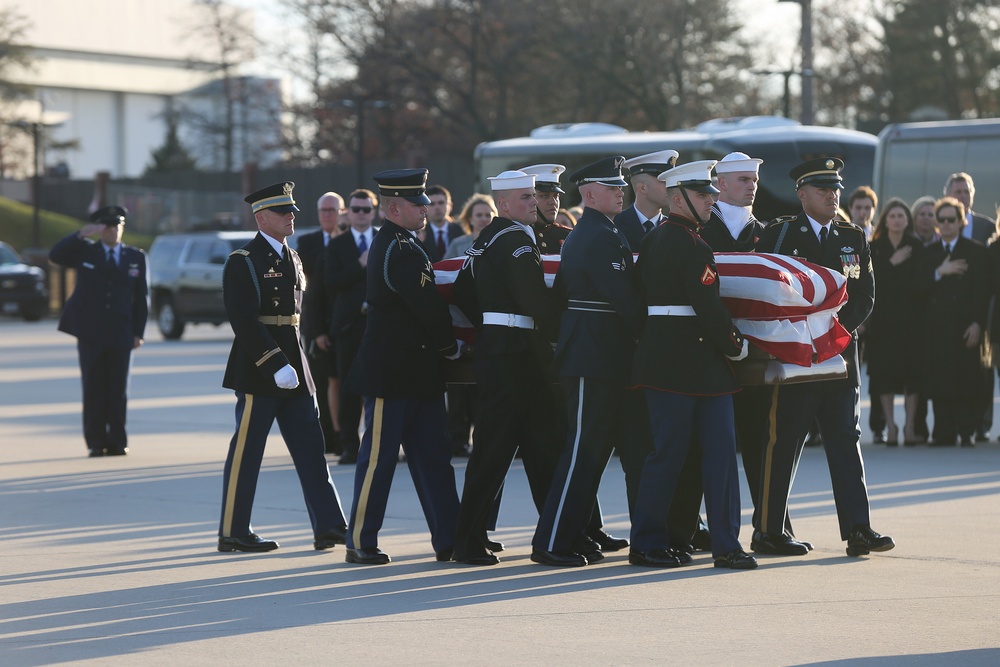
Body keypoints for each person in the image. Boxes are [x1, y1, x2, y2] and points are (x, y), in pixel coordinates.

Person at [756, 158, 894, 558]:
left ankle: (858, 529)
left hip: (837, 356)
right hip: (796, 357)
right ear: (802, 195)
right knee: (785, 442)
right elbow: (769, 292)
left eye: (836, 189)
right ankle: (768, 530)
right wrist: (804, 337)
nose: (833, 195)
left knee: (845, 442)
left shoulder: (852, 238)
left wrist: (834, 335)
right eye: (822, 189)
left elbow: (864, 295)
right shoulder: (780, 235)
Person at [628, 159, 755, 570]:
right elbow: (708, 308)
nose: (710, 203)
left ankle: (655, 541)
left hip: (668, 364)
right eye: (703, 196)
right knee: (711, 458)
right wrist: (736, 345)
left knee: (671, 457)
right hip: (697, 365)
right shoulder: (693, 244)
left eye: (711, 196)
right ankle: (723, 544)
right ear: (679, 197)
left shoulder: (655, 239)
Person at [217, 181, 348, 553]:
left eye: (292, 210)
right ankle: (233, 530)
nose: (292, 216)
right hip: (260, 368)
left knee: (311, 447)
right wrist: (274, 363)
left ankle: (329, 525)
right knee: (248, 451)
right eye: (282, 211)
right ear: (261, 218)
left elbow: (295, 317)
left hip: (295, 364)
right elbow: (244, 320)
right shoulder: (243, 261)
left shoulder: (293, 256)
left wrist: (297, 362)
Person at [342, 169, 462, 565]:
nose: (425, 209)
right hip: (391, 374)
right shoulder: (400, 248)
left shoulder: (402, 243)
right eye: (417, 204)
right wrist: (451, 346)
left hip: (416, 373)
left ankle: (450, 538)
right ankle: (360, 540)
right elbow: (428, 308)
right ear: (394, 207)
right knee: (378, 461)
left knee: (434, 460)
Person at [530, 156, 645, 567]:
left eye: (621, 186)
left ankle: (573, 534)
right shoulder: (597, 235)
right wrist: (650, 333)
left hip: (597, 352)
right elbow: (625, 299)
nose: (621, 191)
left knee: (592, 451)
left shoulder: (596, 232)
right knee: (582, 451)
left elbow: (561, 293)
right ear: (589, 193)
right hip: (594, 353)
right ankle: (553, 541)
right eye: (612, 187)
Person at [451, 170, 563, 566]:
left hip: (505, 351)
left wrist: (490, 322)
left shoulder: (487, 238)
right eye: (525, 197)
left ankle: (555, 535)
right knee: (500, 451)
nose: (534, 201)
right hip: (516, 355)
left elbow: (463, 289)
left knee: (536, 447)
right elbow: (537, 302)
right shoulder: (514, 239)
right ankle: (469, 541)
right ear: (503, 204)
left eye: (534, 195)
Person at [49, 206, 149, 458]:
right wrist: (81, 234)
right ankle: (95, 442)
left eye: (117, 226)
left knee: (118, 389)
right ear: (99, 229)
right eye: (107, 227)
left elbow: (141, 298)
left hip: (121, 332)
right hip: (91, 332)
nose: (112, 231)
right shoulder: (86, 251)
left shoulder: (135, 257)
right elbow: (55, 255)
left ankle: (117, 441)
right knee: (93, 388)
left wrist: (138, 332)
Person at [919, 196, 990, 447]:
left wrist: (977, 324)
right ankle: (943, 432)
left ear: (961, 222)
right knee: (940, 380)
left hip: (966, 326)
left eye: (952, 220)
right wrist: (940, 272)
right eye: (942, 220)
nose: (946, 224)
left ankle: (967, 430)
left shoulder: (976, 251)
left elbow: (983, 293)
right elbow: (916, 288)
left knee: (967, 379)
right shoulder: (928, 254)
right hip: (937, 329)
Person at [324, 188, 378, 465]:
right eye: (355, 209)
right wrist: (359, 264)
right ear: (348, 212)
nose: (360, 214)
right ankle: (349, 446)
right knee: (348, 389)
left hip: (379, 327)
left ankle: (379, 444)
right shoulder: (337, 244)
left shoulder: (384, 240)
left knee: (380, 387)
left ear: (374, 212)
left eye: (365, 210)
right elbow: (330, 283)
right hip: (347, 327)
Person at [867, 198, 925, 445]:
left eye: (901, 216)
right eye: (892, 216)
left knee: (912, 375)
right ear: (885, 219)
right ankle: (890, 426)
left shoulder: (916, 245)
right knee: (884, 375)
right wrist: (892, 263)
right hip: (882, 324)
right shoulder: (875, 247)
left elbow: (920, 284)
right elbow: (871, 282)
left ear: (907, 220)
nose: (897, 220)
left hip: (911, 323)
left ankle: (910, 425)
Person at [444, 193, 497, 458]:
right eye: (479, 215)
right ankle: (456, 439)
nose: (484, 219)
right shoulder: (457, 244)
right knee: (457, 389)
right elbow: (444, 276)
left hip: (489, 323)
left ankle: (483, 438)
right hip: (460, 323)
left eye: (489, 214)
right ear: (469, 219)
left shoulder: (500, 242)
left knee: (483, 385)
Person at [943, 172, 996, 442]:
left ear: (973, 195)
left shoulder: (988, 227)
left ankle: (982, 424)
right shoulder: (941, 224)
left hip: (982, 307)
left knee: (983, 369)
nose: (962, 196)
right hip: (949, 312)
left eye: (966, 191)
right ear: (947, 195)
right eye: (957, 191)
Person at [298, 192, 344, 455]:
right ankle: (328, 437)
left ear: (341, 212)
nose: (327, 214)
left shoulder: (350, 241)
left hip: (345, 324)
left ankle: (345, 435)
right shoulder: (308, 243)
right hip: (317, 324)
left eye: (332, 210)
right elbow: (308, 290)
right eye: (323, 210)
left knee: (344, 384)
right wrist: (315, 332)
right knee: (322, 383)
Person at [616, 149, 678, 250]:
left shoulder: (676, 229)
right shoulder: (615, 226)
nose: (670, 187)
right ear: (642, 188)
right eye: (664, 181)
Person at [519, 164, 573, 254]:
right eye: (545, 196)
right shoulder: (517, 235)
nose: (553, 202)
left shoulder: (569, 236)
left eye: (556, 196)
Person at [421, 184, 464, 262]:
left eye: (441, 203)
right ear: (425, 208)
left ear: (450, 206)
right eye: (432, 204)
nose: (437, 207)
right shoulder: (419, 233)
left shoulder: (462, 231)